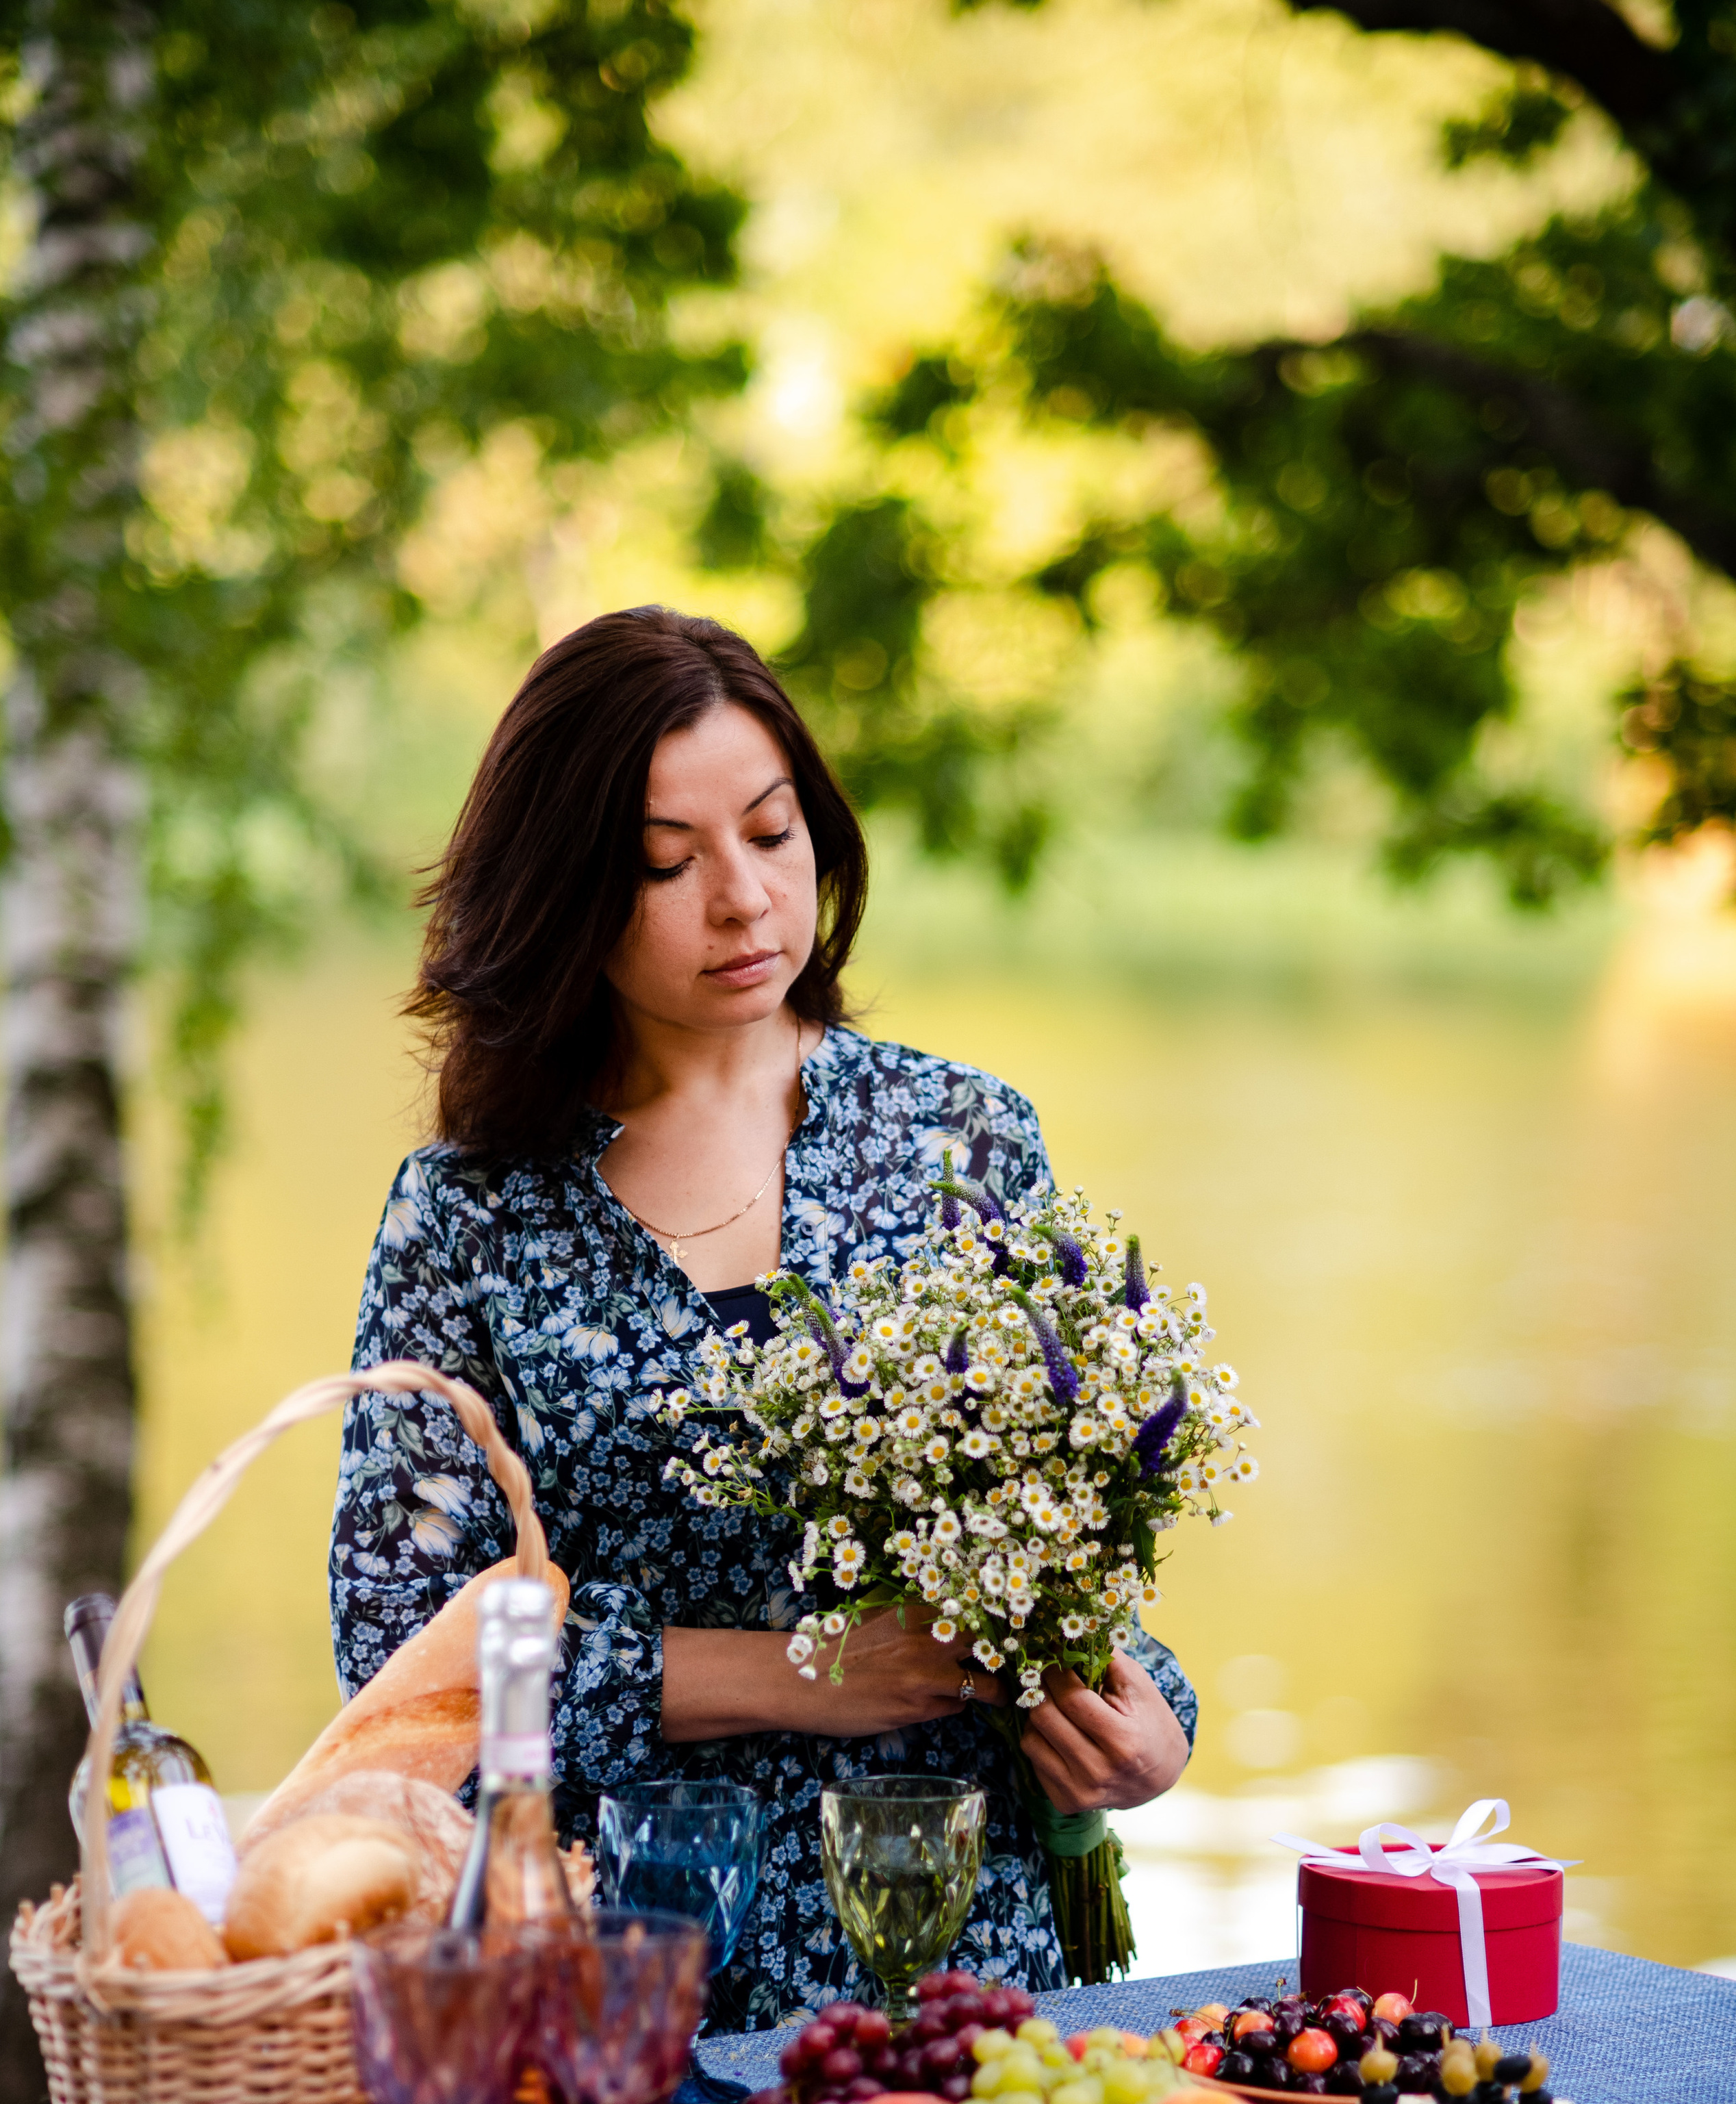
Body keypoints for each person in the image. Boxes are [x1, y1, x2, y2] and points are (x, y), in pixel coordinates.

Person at [330, 607, 1195, 2026]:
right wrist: (802, 1673)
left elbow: (1064, 1549)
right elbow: (403, 1660)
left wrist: (1144, 1723)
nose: (741, 900)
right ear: (562, 893)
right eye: (665, 863)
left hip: (960, 1963)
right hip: (627, 1977)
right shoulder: (472, 1212)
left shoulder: (959, 1137)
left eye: (771, 833)